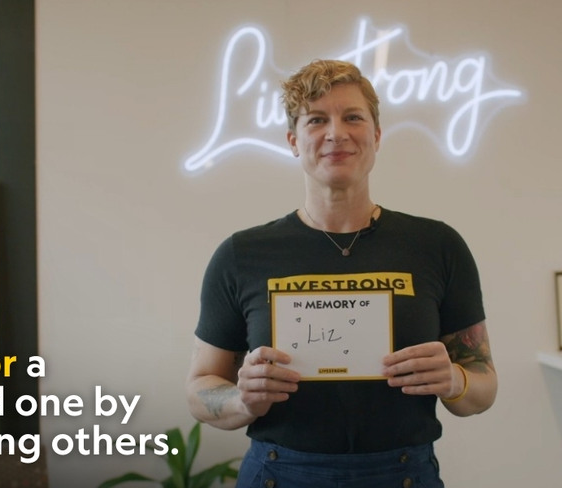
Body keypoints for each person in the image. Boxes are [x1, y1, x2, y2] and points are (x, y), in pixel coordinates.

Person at [185, 59, 496, 488]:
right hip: (279, 472)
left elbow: (484, 388)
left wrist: (454, 379)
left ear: (376, 136)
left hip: (404, 473)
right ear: (294, 141)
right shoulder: (242, 254)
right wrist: (242, 399)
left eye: (353, 117)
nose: (336, 133)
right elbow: (199, 389)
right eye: (317, 120)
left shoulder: (437, 245)